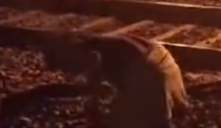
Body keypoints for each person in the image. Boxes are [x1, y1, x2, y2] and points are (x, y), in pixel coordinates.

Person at [42, 32, 188, 128]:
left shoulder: (80, 51)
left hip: (147, 67)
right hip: (163, 58)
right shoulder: (101, 41)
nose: (63, 71)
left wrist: (93, 91)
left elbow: (94, 58)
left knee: (140, 121)